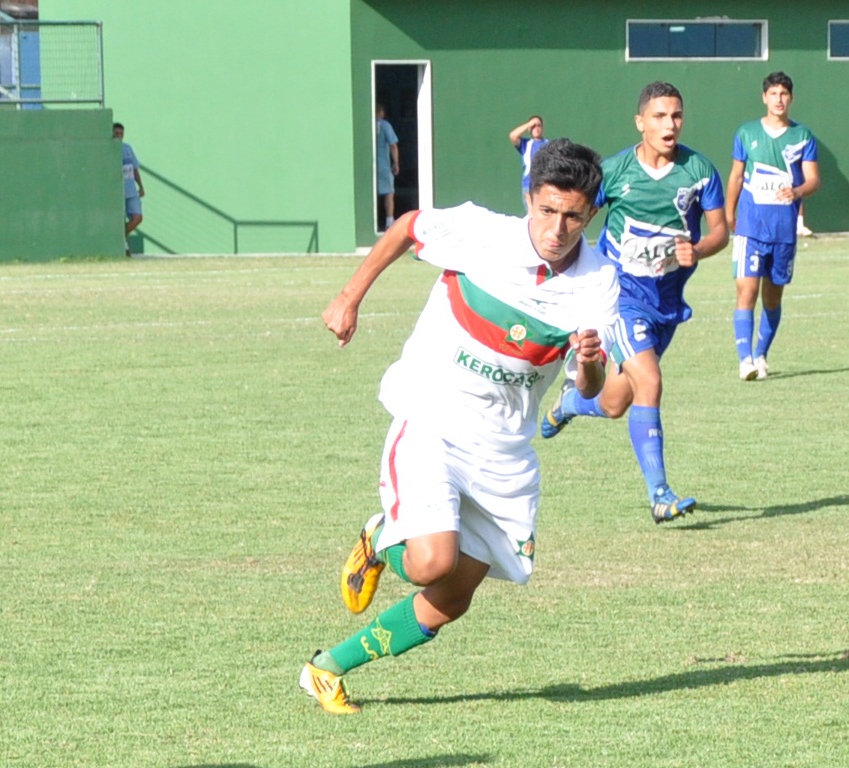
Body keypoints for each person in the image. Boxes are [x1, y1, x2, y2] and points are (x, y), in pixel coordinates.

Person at [299, 139, 614, 715]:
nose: (556, 228)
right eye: (546, 211)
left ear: (590, 212)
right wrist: (349, 297)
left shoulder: (598, 284)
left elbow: (591, 391)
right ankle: (380, 540)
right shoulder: (480, 232)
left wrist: (589, 362)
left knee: (453, 595)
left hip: (504, 452)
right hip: (434, 417)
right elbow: (407, 227)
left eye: (572, 215)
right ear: (529, 199)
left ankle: (326, 668)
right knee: (431, 563)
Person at [540, 81, 727, 524]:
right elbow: (578, 212)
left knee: (614, 402)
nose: (670, 124)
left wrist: (697, 249)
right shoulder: (617, 172)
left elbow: (721, 230)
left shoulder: (699, 171)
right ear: (640, 122)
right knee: (652, 382)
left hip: (667, 304)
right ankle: (660, 495)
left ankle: (568, 404)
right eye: (660, 116)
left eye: (677, 115)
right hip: (622, 298)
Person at [725, 71, 819, 380]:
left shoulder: (802, 136)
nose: (779, 99)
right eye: (773, 94)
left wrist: (798, 191)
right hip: (751, 228)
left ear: (791, 98)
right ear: (764, 97)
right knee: (746, 292)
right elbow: (736, 176)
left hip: (783, 231)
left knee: (772, 298)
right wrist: (729, 213)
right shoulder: (747, 133)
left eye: (784, 94)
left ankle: (761, 353)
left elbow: (813, 179)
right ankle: (745, 360)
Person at [114, 122, 144, 255]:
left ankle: (121, 237)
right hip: (117, 192)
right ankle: (124, 246)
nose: (119, 136)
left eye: (121, 133)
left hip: (131, 190)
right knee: (119, 219)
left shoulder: (127, 148)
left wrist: (141, 186)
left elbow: (134, 168)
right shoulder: (108, 149)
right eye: (117, 133)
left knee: (138, 217)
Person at [375, 104, 400, 232]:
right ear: (380, 112)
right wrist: (396, 162)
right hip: (384, 164)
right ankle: (389, 222)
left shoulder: (369, 125)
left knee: (372, 194)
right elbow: (393, 145)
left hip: (371, 165)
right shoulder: (385, 125)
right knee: (389, 193)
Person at [508, 115, 548, 194]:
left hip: (545, 186)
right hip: (528, 186)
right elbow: (513, 136)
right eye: (533, 126)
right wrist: (529, 124)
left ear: (542, 128)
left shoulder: (549, 144)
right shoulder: (526, 144)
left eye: (539, 125)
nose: (536, 128)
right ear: (529, 129)